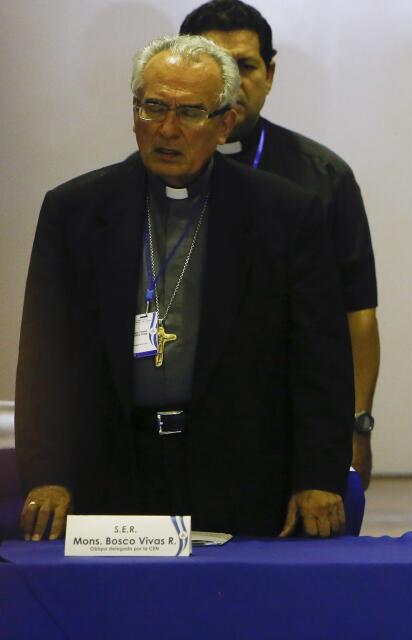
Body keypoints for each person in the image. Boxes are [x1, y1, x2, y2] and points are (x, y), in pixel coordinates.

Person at [16, 35, 353, 541]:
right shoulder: (75, 211)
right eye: (154, 108)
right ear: (134, 112)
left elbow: (320, 360)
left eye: (191, 113)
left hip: (241, 477)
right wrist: (47, 473)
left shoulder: (286, 214)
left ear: (224, 124)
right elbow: (44, 360)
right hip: (109, 473)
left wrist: (317, 477)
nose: (167, 130)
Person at [179, 0, 379, 486]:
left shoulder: (323, 177)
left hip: (289, 431)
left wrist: (357, 425)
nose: (230, 82)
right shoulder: (155, 172)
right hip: (177, 429)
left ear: (269, 74)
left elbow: (359, 317)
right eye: (213, 65)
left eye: (244, 66)